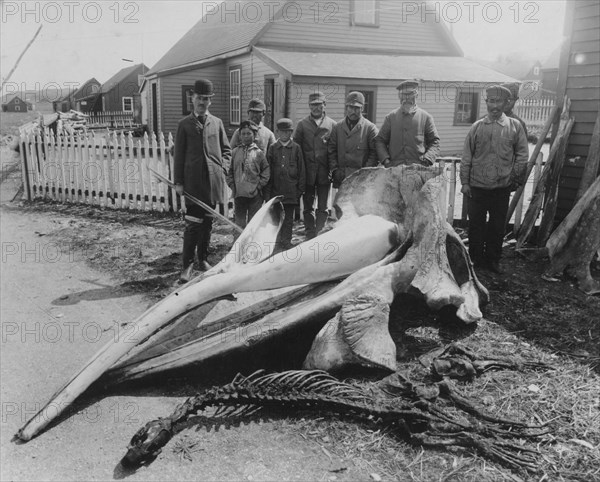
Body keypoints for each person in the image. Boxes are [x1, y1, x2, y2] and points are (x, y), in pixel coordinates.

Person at [460, 85, 529, 274]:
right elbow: (467, 157)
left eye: (499, 101)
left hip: (501, 187)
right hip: (477, 187)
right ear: (487, 103)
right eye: (491, 101)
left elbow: (523, 155)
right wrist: (465, 182)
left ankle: (493, 260)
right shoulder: (477, 127)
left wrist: (513, 178)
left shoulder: (515, 127)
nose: (495, 106)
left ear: (506, 103)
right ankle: (475, 260)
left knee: (497, 226)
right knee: (475, 225)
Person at [174, 79, 232, 283]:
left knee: (207, 222)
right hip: (192, 183)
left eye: (206, 99)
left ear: (210, 102)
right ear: (193, 98)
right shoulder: (184, 124)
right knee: (192, 224)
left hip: (212, 182)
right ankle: (187, 265)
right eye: (199, 98)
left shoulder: (217, 122)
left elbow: (226, 150)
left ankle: (203, 259)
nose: (202, 102)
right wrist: (178, 182)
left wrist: (222, 168)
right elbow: (178, 156)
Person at [293, 91, 336, 239]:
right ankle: (310, 233)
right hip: (307, 173)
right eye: (313, 105)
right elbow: (296, 150)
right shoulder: (302, 125)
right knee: (308, 206)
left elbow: (334, 150)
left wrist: (333, 169)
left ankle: (320, 234)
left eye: (319, 104)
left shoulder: (332, 125)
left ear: (324, 105)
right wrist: (299, 171)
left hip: (325, 172)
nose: (316, 108)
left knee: (323, 207)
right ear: (309, 106)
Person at [375, 80, 441, 167]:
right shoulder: (391, 117)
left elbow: (434, 142)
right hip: (394, 169)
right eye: (403, 95)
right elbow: (380, 141)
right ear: (399, 96)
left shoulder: (426, 117)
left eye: (410, 94)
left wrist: (427, 159)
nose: (406, 98)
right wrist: (386, 160)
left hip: (418, 169)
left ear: (416, 95)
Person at [264, 118, 306, 252]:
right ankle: (276, 242)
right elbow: (267, 171)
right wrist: (268, 193)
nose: (284, 134)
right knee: (276, 218)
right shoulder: (272, 148)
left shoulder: (296, 148)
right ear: (277, 132)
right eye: (281, 132)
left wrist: (299, 190)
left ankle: (286, 241)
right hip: (276, 191)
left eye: (287, 132)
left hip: (291, 191)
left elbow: (302, 170)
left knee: (288, 219)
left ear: (291, 132)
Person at [328, 91, 379, 188]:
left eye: (357, 108)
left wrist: (365, 173)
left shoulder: (370, 128)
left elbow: (374, 154)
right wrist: (335, 170)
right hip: (342, 178)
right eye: (350, 107)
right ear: (346, 108)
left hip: (361, 180)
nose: (353, 111)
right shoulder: (337, 127)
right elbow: (331, 151)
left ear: (362, 108)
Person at [226, 120, 270, 229]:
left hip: (255, 195)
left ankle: (251, 245)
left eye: (249, 133)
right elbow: (229, 170)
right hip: (239, 194)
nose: (246, 136)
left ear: (254, 135)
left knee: (253, 223)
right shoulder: (235, 152)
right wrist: (232, 185)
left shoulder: (259, 153)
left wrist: (259, 185)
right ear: (240, 136)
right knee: (239, 222)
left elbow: (266, 170)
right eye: (243, 134)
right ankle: (238, 244)